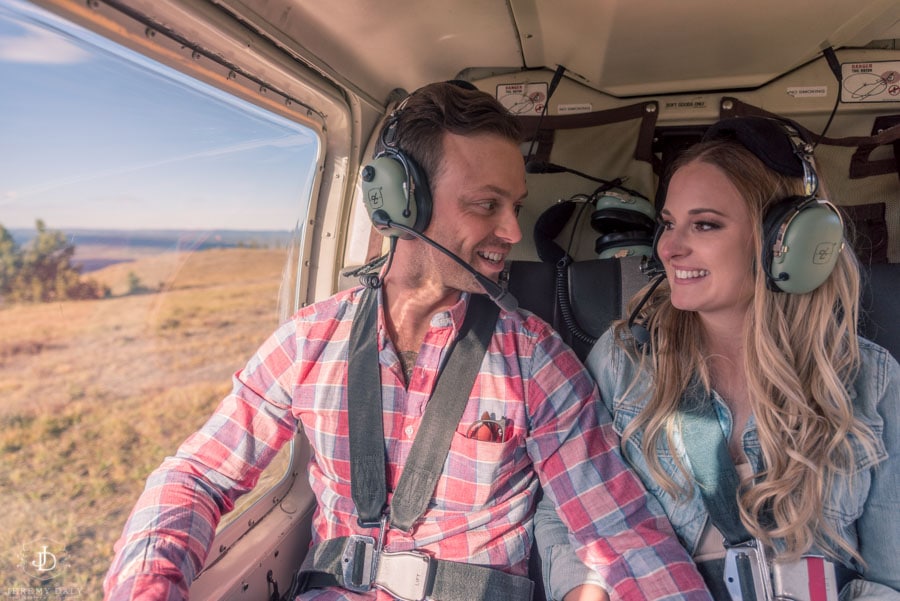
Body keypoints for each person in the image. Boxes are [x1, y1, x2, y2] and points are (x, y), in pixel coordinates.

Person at [103, 81, 712, 600]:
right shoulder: (308, 341)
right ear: (402, 202)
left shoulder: (535, 359)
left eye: (515, 205)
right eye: (486, 205)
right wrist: (149, 587)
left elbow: (616, 529)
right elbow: (197, 476)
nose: (511, 231)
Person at [534, 116, 900, 601]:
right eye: (668, 224)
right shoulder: (626, 362)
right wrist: (583, 591)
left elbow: (890, 576)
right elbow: (564, 511)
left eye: (704, 224)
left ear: (785, 241)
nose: (668, 247)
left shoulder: (870, 380)